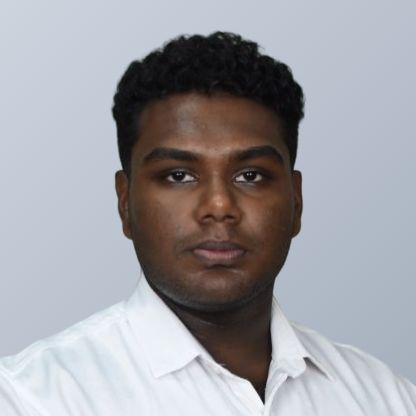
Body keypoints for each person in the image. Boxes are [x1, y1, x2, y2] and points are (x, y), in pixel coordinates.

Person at [0, 31, 415, 416]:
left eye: (250, 175)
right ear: (125, 202)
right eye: (179, 175)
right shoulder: (30, 399)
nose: (219, 206)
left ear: (297, 201)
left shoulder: (386, 397)